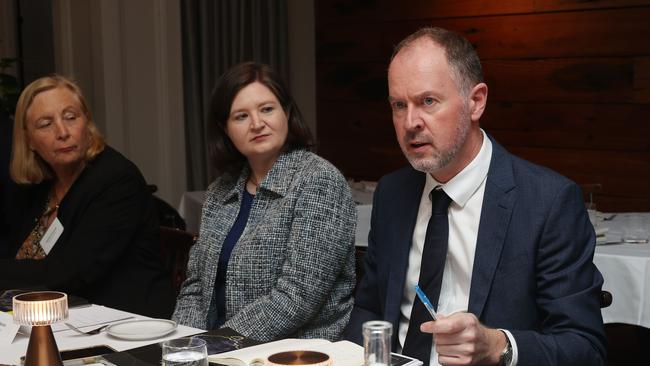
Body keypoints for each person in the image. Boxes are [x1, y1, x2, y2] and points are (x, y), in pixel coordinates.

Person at [345, 27, 605, 365]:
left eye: (428, 101)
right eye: (398, 105)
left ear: (476, 102)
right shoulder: (393, 194)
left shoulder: (548, 203)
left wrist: (499, 346)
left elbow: (584, 348)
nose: (410, 122)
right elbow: (371, 308)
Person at [173, 62, 356, 341]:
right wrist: (181, 348)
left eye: (267, 109)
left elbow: (297, 296)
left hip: (293, 354)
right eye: (241, 116)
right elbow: (196, 287)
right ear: (225, 129)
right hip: (216, 349)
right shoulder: (218, 192)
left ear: (286, 112)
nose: (257, 123)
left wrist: (216, 344)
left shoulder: (318, 180)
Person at [0, 75, 175, 318]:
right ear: (29, 140)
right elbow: (15, 255)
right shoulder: (39, 186)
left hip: (125, 326)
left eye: (71, 117)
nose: (62, 132)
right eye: (45, 124)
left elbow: (68, 274)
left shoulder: (116, 180)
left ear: (87, 122)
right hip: (54, 318)